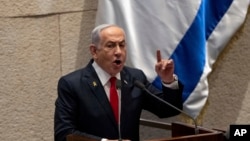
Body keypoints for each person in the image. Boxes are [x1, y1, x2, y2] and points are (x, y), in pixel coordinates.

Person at [54, 24, 184, 141]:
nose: (118, 52)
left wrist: (168, 80)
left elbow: (168, 110)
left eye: (122, 45)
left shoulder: (135, 78)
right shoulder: (72, 84)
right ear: (94, 51)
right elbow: (64, 134)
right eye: (110, 46)